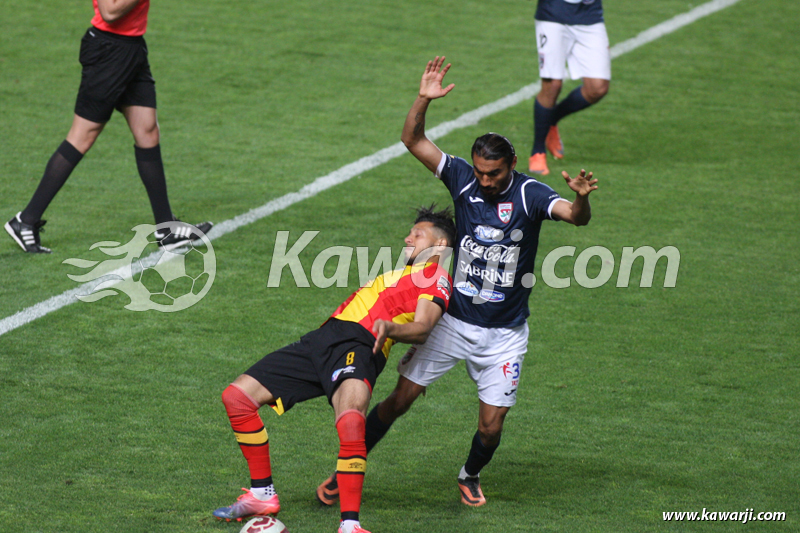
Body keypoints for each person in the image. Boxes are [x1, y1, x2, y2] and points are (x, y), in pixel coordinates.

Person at [316, 57, 598, 508]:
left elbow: (574, 218)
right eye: (480, 172)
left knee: (492, 426)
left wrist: (581, 200)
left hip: (505, 333)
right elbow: (412, 139)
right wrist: (423, 99)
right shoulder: (462, 179)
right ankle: (345, 471)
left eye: (495, 173)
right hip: (453, 321)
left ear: (512, 165)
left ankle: (469, 474)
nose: (485, 181)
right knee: (398, 400)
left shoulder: (530, 194)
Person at [213, 206, 455, 533]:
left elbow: (424, 326)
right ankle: (261, 494)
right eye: (409, 233)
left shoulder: (437, 277)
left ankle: (350, 525)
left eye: (417, 234)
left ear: (439, 246)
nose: (407, 238)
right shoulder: (402, 274)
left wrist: (389, 329)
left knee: (351, 421)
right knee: (237, 397)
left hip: (360, 344)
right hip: (321, 340)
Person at [4, 0, 210, 254]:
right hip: (108, 52)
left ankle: (166, 230)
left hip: (132, 49)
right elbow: (109, 10)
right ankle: (26, 219)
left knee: (147, 131)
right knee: (82, 136)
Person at [528, 0, 611, 176]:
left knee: (598, 87)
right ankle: (537, 151)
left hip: (590, 14)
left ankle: (551, 119)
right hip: (553, 12)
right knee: (553, 84)